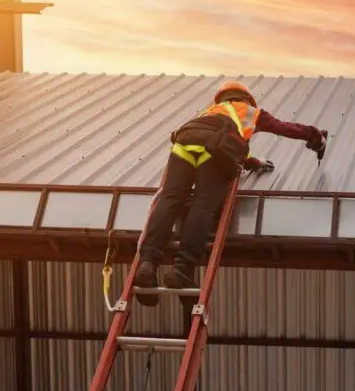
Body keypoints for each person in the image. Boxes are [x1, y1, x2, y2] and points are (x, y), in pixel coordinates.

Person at [134, 80, 328, 307]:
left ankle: (147, 265)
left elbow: (220, 138)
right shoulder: (252, 112)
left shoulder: (210, 111)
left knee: (169, 200)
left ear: (223, 97)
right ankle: (181, 269)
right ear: (247, 98)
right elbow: (285, 128)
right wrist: (316, 137)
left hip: (184, 143)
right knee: (203, 205)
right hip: (212, 151)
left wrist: (252, 162)